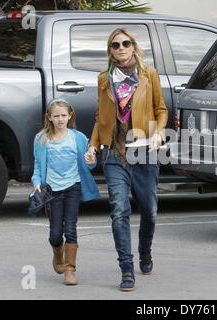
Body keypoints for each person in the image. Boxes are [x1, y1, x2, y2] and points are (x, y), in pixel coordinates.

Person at [85, 28, 168, 291]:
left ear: (133, 46)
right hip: (115, 153)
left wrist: (159, 133)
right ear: (110, 51)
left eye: (126, 43)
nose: (121, 48)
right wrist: (93, 145)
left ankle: (145, 252)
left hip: (144, 151)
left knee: (150, 212)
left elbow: (161, 109)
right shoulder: (103, 79)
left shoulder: (148, 75)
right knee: (119, 211)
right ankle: (126, 269)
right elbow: (101, 117)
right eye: (115, 45)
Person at [31, 98, 100, 286]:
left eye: (63, 115)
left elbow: (90, 163)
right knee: (55, 233)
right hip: (52, 190)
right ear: (49, 117)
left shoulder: (78, 137)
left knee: (70, 228)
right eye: (56, 116)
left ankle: (70, 269)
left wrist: (91, 160)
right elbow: (38, 165)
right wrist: (36, 182)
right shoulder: (41, 138)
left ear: (70, 116)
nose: (60, 119)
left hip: (73, 186)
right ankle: (57, 254)